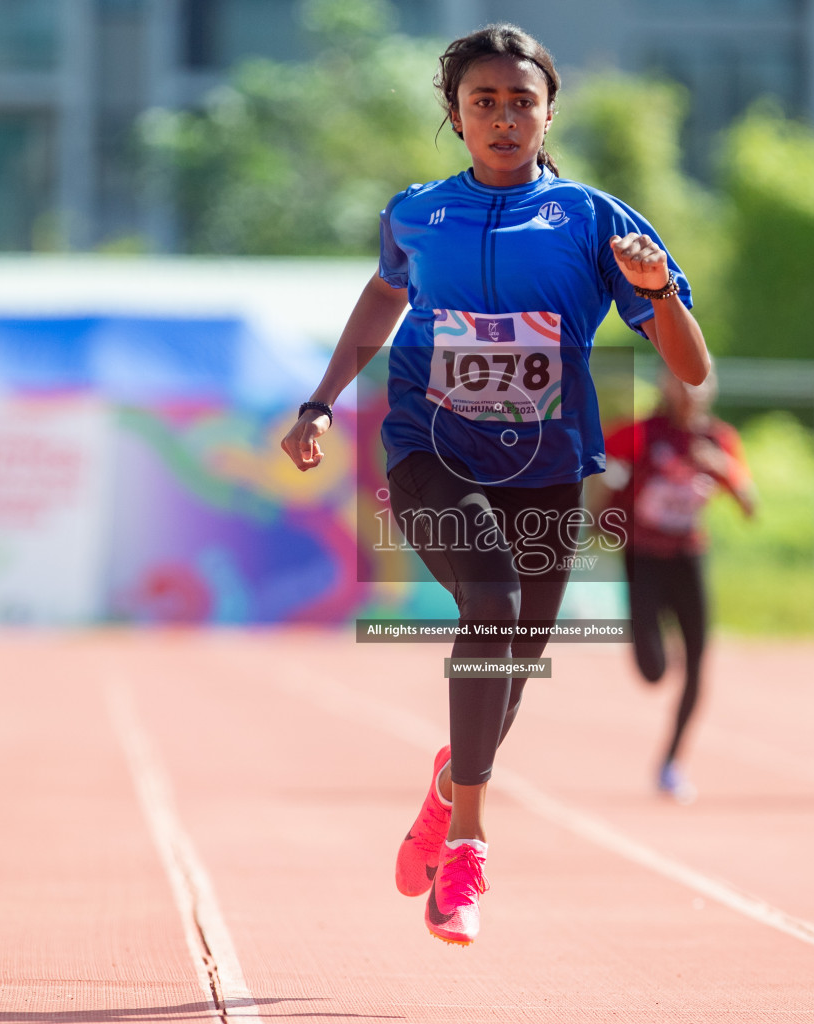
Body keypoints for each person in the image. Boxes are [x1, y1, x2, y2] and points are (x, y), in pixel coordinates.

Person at [279, 24, 711, 945]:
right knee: (492, 594)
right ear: (455, 116)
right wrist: (320, 402)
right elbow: (382, 297)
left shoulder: (597, 221)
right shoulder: (416, 213)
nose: (505, 118)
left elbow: (693, 366)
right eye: (485, 103)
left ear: (549, 112)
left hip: (549, 465)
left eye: (522, 101)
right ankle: (468, 847)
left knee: (511, 661)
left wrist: (662, 293)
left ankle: (444, 794)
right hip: (428, 445)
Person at [599, 366, 754, 805]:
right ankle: (655, 638)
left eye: (700, 382)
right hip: (644, 557)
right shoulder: (645, 433)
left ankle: (671, 763)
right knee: (653, 671)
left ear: (712, 389)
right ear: (666, 387)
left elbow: (750, 504)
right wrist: (607, 488)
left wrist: (723, 470)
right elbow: (591, 456)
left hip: (689, 557)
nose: (691, 391)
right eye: (681, 381)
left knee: (699, 663)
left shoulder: (719, 440)